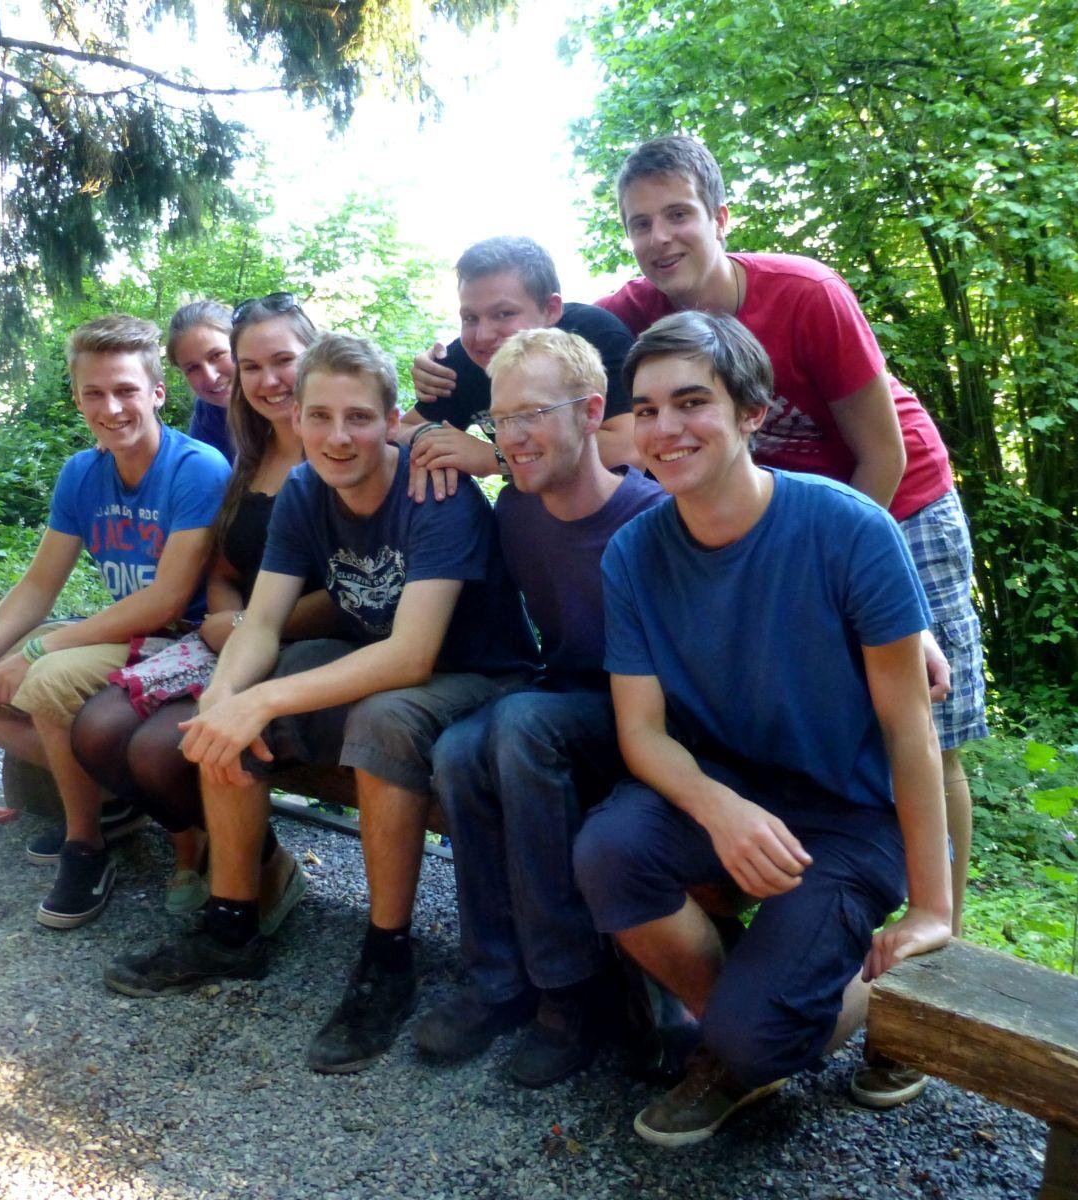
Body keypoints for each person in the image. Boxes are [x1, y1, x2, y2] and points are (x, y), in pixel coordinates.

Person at [598, 136, 986, 1106]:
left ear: (720, 217)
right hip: (742, 510)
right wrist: (447, 377)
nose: (658, 235)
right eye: (640, 221)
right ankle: (767, 1004)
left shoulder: (804, 294)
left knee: (928, 726)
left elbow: (881, 456)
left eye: (677, 214)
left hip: (890, 497)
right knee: (654, 855)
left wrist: (869, 595)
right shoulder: (640, 318)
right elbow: (542, 341)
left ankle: (933, 948)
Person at [104, 333, 539, 1079]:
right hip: (378, 661)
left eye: (359, 417)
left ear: (392, 420)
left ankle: (387, 957)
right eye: (321, 417)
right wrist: (223, 697)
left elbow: (412, 656)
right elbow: (262, 623)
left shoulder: (435, 495)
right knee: (238, 699)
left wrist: (263, 696)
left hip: (480, 674)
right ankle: (232, 926)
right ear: (298, 420)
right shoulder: (306, 490)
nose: (339, 437)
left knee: (383, 719)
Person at [572, 311, 952, 1146]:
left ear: (752, 413)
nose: (666, 428)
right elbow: (643, 734)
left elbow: (911, 730)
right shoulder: (633, 553)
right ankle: (746, 1026)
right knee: (608, 852)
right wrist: (720, 808)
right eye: (647, 409)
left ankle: (779, 1025)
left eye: (692, 402)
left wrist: (932, 909)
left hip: (848, 814)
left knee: (759, 1041)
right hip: (731, 787)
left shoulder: (849, 528)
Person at [413, 328, 664, 1088]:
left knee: (524, 727)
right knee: (458, 748)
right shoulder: (517, 515)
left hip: (648, 719)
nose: (512, 437)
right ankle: (498, 979)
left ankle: (569, 989)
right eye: (500, 420)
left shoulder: (650, 518)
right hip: (567, 695)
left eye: (532, 415)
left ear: (591, 412)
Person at [0, 314, 230, 929]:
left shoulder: (196, 468)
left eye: (126, 390)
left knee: (48, 680)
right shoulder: (82, 473)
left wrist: (41, 650)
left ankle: (85, 845)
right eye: (94, 393)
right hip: (127, 635)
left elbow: (167, 601)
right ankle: (114, 795)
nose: (111, 408)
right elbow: (39, 584)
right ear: (77, 399)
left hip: (186, 641)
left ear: (157, 392)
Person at [71, 296, 330, 918]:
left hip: (305, 643)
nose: (267, 380)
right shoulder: (251, 453)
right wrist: (223, 618)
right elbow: (225, 566)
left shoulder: (339, 447)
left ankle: (255, 872)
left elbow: (353, 587)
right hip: (231, 636)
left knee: (159, 749)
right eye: (252, 366)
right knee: (97, 730)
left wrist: (242, 625)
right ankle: (240, 851)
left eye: (282, 362)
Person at [401, 236, 639, 500]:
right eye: (470, 318)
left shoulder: (595, 335)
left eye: (503, 314)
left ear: (551, 310)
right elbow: (398, 430)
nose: (482, 335)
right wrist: (430, 439)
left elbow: (630, 449)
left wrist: (493, 458)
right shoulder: (462, 363)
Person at [168, 300, 237, 461]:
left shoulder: (283, 398)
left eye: (217, 355)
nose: (210, 377)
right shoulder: (207, 415)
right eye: (193, 368)